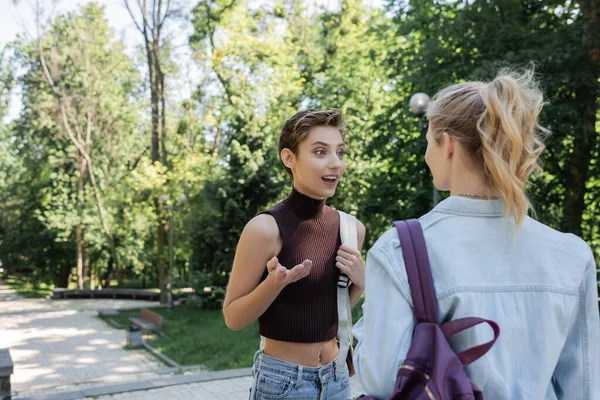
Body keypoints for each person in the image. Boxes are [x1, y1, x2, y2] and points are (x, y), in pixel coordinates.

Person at [353, 69, 600, 399]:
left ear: (448, 145)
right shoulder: (572, 254)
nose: (427, 154)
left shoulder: (400, 249)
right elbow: (583, 386)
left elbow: (382, 381)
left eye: (429, 141)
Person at [223, 109, 366, 400]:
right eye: (320, 152)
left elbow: (334, 310)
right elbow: (233, 318)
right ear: (289, 158)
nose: (335, 163)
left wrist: (361, 282)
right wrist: (274, 284)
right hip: (283, 383)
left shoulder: (352, 229)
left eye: (340, 152)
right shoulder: (265, 228)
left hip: (336, 378)